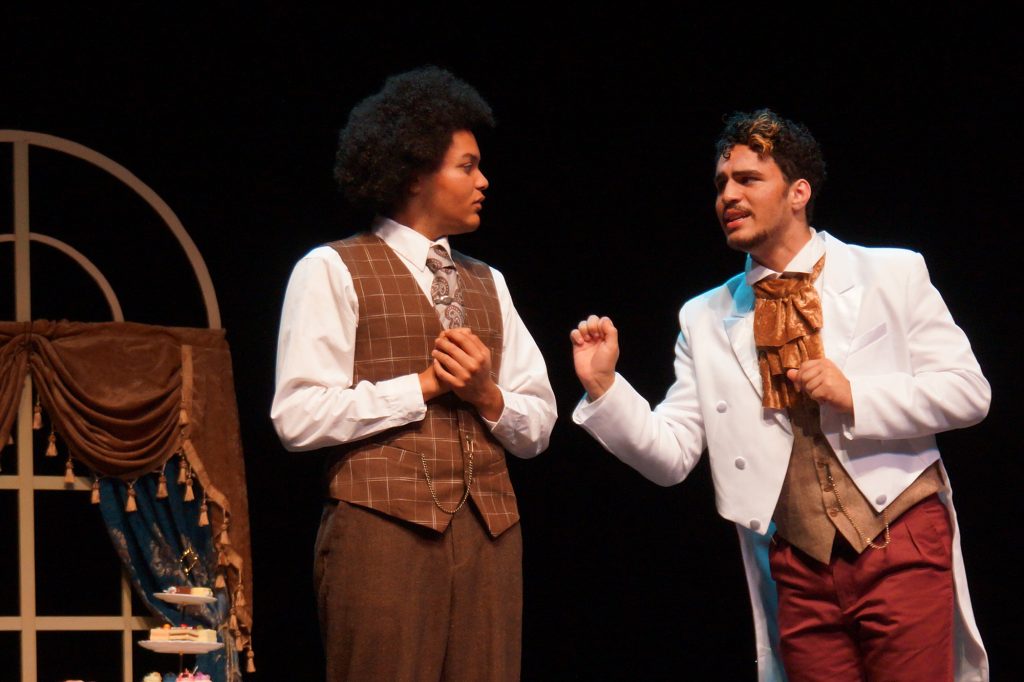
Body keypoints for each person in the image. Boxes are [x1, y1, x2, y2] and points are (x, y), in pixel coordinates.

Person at [570, 109, 989, 681]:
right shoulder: (704, 316)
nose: (728, 195)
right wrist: (604, 387)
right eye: (721, 183)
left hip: (901, 540)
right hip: (799, 564)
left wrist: (856, 393)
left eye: (748, 179)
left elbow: (968, 393)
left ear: (798, 192)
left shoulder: (890, 273)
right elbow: (671, 457)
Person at [272, 66, 556, 681]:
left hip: (491, 535)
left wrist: (486, 395)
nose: (484, 180)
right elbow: (296, 417)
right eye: (467, 166)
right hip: (382, 534)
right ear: (415, 171)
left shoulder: (489, 281)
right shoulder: (330, 269)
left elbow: (539, 424)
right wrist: (419, 388)